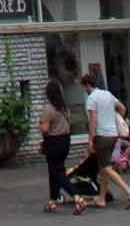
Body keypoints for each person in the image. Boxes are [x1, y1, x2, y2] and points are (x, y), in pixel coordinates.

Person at [71, 62, 130, 212]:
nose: (84, 90)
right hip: (113, 135)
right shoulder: (107, 94)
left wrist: (90, 140)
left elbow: (93, 120)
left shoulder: (92, 98)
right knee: (103, 168)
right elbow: (122, 108)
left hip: (101, 137)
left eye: (84, 87)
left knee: (105, 168)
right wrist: (114, 120)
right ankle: (101, 198)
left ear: (88, 85)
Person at [38, 79, 76, 213]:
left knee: (58, 172)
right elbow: (69, 124)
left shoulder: (49, 108)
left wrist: (40, 125)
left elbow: (45, 129)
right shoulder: (65, 108)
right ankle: (52, 200)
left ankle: (77, 197)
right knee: (54, 170)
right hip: (65, 141)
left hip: (53, 142)